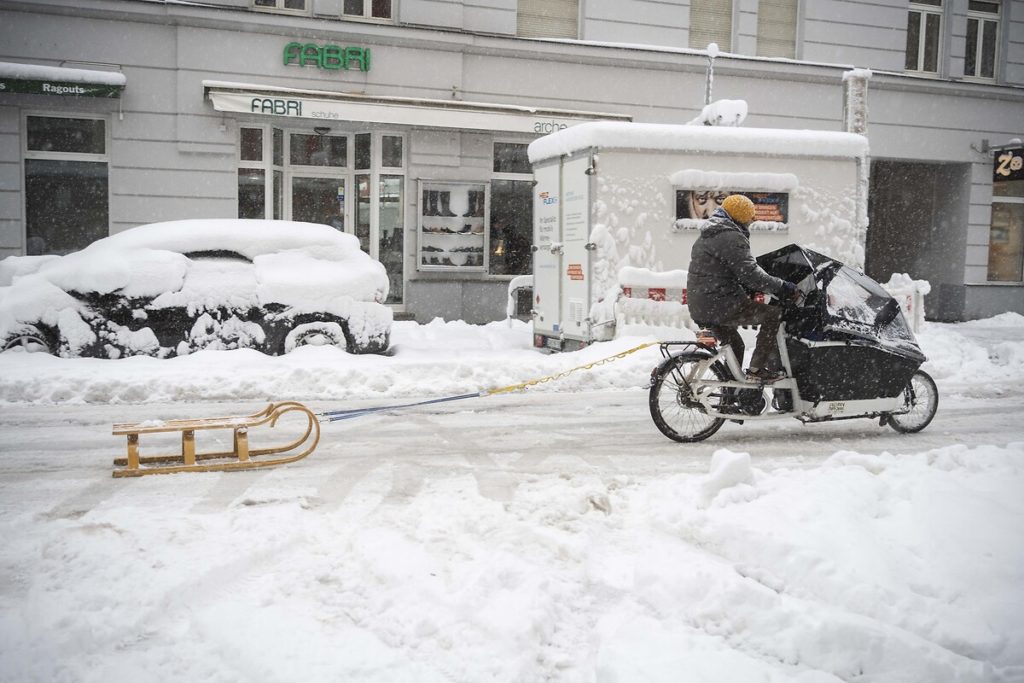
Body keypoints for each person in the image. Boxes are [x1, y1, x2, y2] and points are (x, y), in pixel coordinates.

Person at [687, 194, 798, 382]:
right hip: (720, 304)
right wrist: (782, 287)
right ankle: (757, 369)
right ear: (740, 216)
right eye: (749, 217)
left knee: (734, 344)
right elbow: (750, 274)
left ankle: (730, 394)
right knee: (773, 315)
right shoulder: (730, 236)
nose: (751, 221)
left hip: (702, 304)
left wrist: (748, 288)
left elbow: (722, 271)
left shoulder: (709, 234)